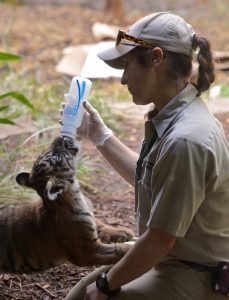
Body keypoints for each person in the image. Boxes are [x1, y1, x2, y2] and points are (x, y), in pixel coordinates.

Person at [65, 11, 229, 300]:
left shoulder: (186, 138)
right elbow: (151, 180)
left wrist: (106, 284)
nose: (123, 79)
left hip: (197, 273)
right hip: (172, 259)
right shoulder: (175, 117)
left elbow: (160, 239)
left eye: (127, 65)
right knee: (78, 295)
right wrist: (100, 137)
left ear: (156, 58)